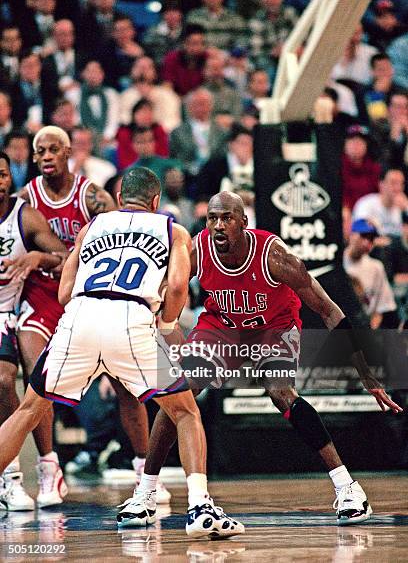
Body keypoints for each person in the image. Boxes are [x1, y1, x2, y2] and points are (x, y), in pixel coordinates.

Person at [123, 191, 402, 527]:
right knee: (178, 392)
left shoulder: (275, 257)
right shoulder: (197, 250)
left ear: (244, 222)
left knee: (280, 392)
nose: (218, 225)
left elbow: (330, 310)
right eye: (213, 218)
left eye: (227, 218)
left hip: (274, 328)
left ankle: (348, 488)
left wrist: (366, 374)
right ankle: (146, 493)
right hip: (222, 327)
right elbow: (164, 290)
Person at [0, 168, 244, 539]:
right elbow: (178, 285)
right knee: (184, 412)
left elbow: (64, 293)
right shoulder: (173, 230)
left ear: (120, 197)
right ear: (156, 201)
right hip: (131, 319)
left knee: (29, 410)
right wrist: (165, 324)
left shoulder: (93, 226)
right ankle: (200, 507)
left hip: (80, 316)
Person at [15, 124, 117, 508]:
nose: (44, 157)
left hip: (84, 296)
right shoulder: (26, 199)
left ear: (69, 151)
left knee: (125, 384)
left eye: (52, 150)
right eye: (39, 151)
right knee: (36, 370)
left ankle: (144, 468)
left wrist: (53, 258)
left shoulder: (92, 196)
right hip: (42, 296)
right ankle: (48, 465)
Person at [0, 151, 67, 511]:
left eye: (3, 175)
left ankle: (48, 464)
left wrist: (37, 258)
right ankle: (9, 476)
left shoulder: (24, 215)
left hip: (17, 307)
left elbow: (66, 256)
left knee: (37, 371)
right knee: (1, 378)